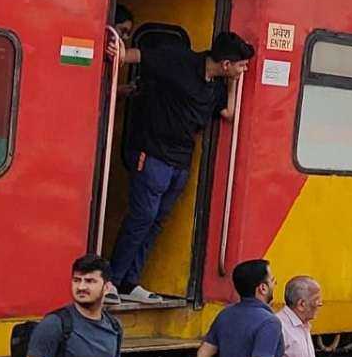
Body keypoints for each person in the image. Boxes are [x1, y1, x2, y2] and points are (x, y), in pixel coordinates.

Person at [106, 31, 253, 303]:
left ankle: (129, 281)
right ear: (225, 64)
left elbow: (229, 113)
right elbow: (138, 56)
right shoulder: (178, 61)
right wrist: (119, 50)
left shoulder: (216, 86)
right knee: (143, 216)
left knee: (157, 220)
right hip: (151, 152)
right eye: (241, 66)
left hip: (180, 160)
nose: (243, 70)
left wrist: (233, 85)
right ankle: (111, 280)